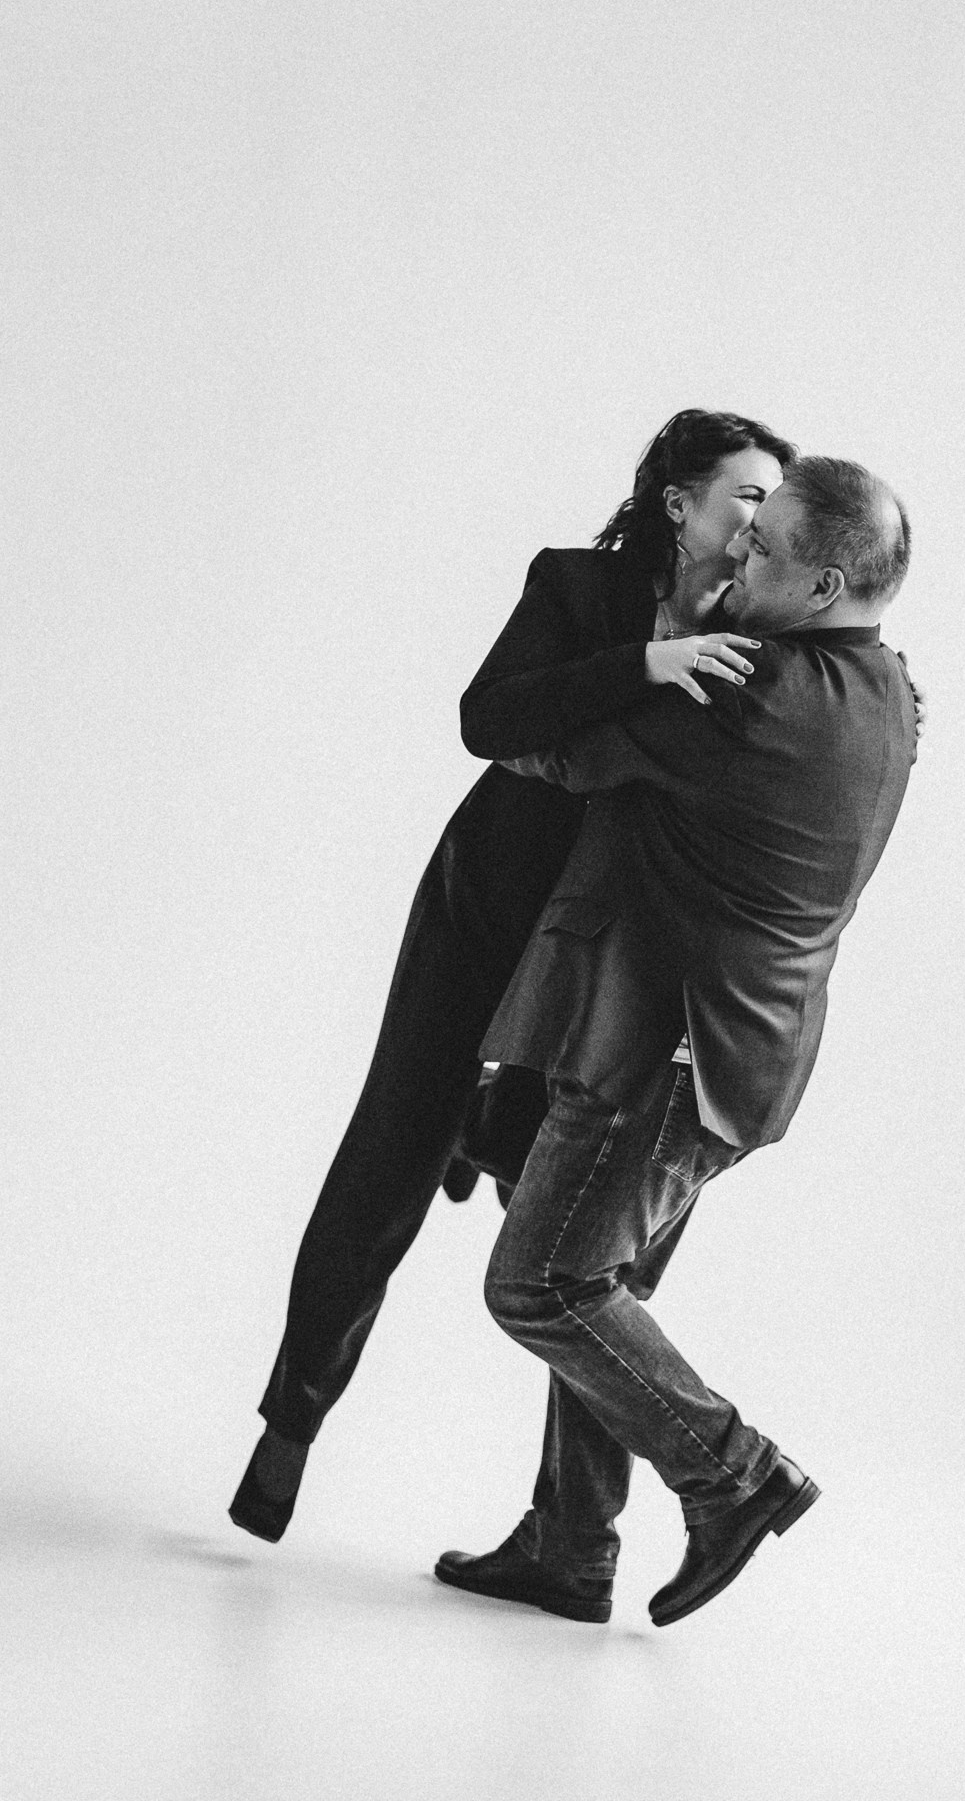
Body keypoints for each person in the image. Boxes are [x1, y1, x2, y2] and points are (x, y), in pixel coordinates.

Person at [229, 409, 795, 1542]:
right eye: (746, 495)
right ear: (679, 502)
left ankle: (572, 1531)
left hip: (608, 951)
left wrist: (890, 688)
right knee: (388, 1154)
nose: (759, 521)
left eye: (772, 507)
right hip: (486, 910)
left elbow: (817, 710)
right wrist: (645, 663)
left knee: (598, 1249)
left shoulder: (763, 626)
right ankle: (290, 1424)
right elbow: (485, 718)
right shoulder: (578, 587)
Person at [433, 456, 917, 1627]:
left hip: (663, 1047)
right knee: (606, 1286)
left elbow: (543, 748)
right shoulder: (891, 690)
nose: (735, 550)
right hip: (743, 1051)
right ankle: (569, 1547)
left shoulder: (747, 687)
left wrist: (640, 654)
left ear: (823, 586)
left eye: (764, 549)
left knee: (544, 1283)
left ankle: (734, 1474)